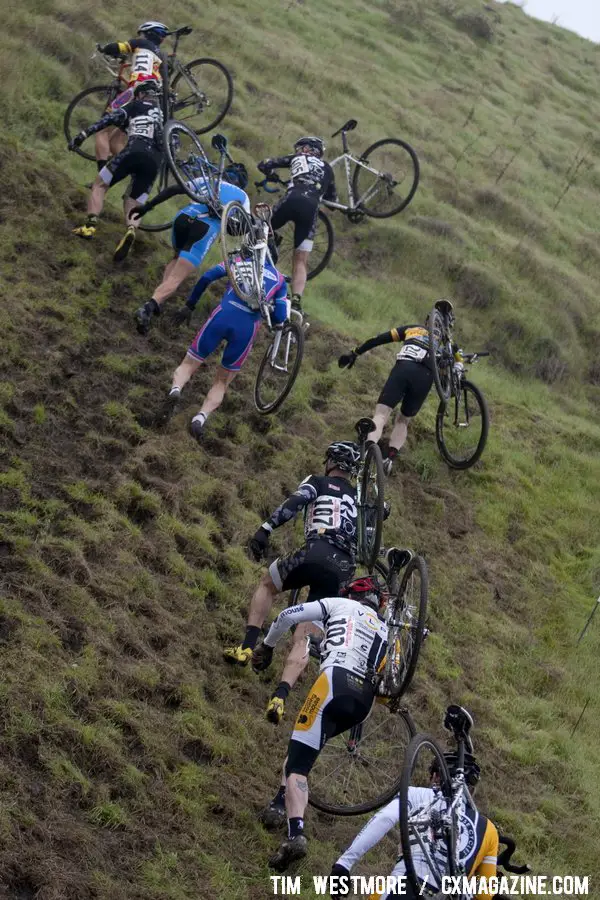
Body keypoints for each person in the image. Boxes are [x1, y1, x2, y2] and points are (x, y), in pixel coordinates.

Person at [253, 577, 389, 871]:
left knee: (298, 766)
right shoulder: (385, 628)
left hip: (332, 683)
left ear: (352, 593)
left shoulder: (341, 603)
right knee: (306, 746)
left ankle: (295, 834)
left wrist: (268, 644)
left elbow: (289, 615)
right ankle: (278, 804)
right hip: (362, 703)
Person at [222, 442, 360, 700]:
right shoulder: (360, 498)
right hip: (343, 568)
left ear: (330, 461)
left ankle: (246, 648)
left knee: (267, 584)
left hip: (316, 549)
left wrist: (266, 528)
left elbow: (296, 501)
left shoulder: (318, 481)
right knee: (306, 634)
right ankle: (280, 697)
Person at [329, 706, 499, 899]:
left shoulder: (418, 795)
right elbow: (485, 896)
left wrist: (344, 864)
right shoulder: (488, 829)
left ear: (436, 776)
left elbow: (384, 819)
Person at [155, 256, 289, 442]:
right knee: (221, 382)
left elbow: (206, 277)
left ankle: (176, 389)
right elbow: (280, 317)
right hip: (247, 327)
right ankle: (200, 418)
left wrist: (190, 304)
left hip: (224, 314)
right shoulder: (280, 279)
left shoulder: (238, 260)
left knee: (189, 363)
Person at [338, 300, 459, 476]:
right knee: (403, 420)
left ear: (427, 321)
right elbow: (456, 365)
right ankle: (390, 459)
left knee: (381, 414)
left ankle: (366, 452)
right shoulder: (447, 344)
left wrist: (355, 353)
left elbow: (378, 339)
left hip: (405, 368)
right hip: (425, 378)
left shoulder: (413, 329)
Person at [132, 163, 251, 334]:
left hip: (183, 217)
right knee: (177, 277)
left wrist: (147, 206)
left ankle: (157, 301)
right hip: (204, 228)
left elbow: (174, 189)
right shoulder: (242, 196)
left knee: (176, 258)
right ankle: (149, 307)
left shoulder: (208, 179)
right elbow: (241, 228)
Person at [69, 81, 164, 261]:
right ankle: (130, 230)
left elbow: (107, 121)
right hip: (155, 161)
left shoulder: (135, 104)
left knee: (99, 185)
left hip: (133, 150)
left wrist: (83, 135)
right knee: (134, 201)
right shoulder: (165, 118)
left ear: (140, 95)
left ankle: (89, 225)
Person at [257, 137, 336, 311]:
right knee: (301, 260)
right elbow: (332, 200)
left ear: (307, 148)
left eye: (300, 147)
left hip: (292, 198)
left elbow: (264, 164)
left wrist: (273, 176)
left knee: (261, 226)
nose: (299, 150)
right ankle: (296, 301)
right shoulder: (328, 168)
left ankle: (269, 245)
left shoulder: (297, 158)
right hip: (311, 209)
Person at [94, 21, 169, 170]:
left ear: (147, 33)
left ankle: (101, 175)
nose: (139, 36)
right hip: (152, 101)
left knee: (101, 130)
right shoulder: (161, 56)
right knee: (116, 141)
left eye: (140, 34)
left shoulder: (140, 43)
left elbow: (117, 47)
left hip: (134, 91)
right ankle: (132, 173)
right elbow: (166, 85)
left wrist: (104, 49)